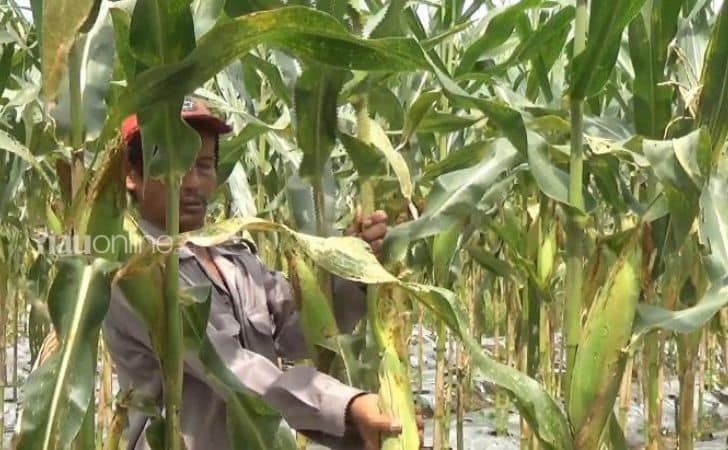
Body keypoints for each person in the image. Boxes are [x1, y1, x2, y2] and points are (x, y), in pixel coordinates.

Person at [103, 96, 399, 450]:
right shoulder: (134, 274)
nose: (193, 183)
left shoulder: (233, 255)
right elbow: (229, 368)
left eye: (204, 165)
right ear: (132, 175)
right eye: (177, 166)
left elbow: (299, 331)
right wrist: (346, 406)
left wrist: (355, 271)